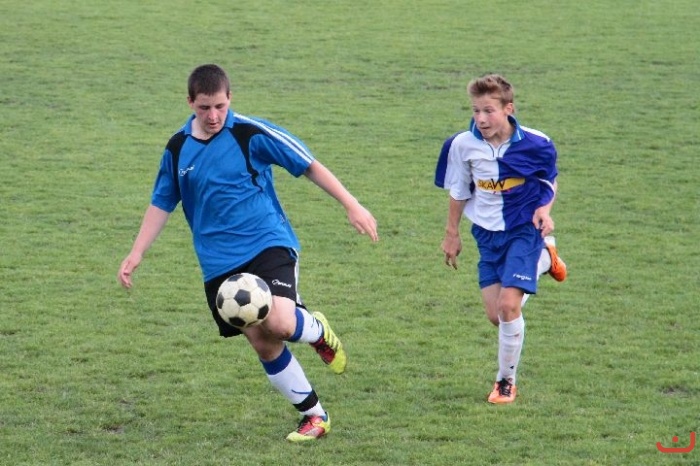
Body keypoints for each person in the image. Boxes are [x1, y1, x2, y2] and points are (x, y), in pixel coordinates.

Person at [117, 64, 379, 441]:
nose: (213, 116)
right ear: (190, 102)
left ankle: (317, 331)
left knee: (281, 324)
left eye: (220, 106)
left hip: (266, 242)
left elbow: (308, 164)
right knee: (263, 341)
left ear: (230, 99)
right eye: (204, 108)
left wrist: (351, 204)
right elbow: (162, 201)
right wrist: (137, 252)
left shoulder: (249, 133)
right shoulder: (177, 148)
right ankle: (315, 416)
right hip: (218, 262)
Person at [434, 74, 567, 404]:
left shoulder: (537, 143)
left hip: (524, 229)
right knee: (497, 316)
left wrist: (544, 210)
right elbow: (459, 190)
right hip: (486, 234)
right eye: (476, 110)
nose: (481, 119)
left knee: (509, 306)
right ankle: (545, 259)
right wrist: (452, 234)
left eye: (489, 111)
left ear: (509, 109)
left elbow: (548, 180)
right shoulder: (461, 144)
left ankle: (506, 381)